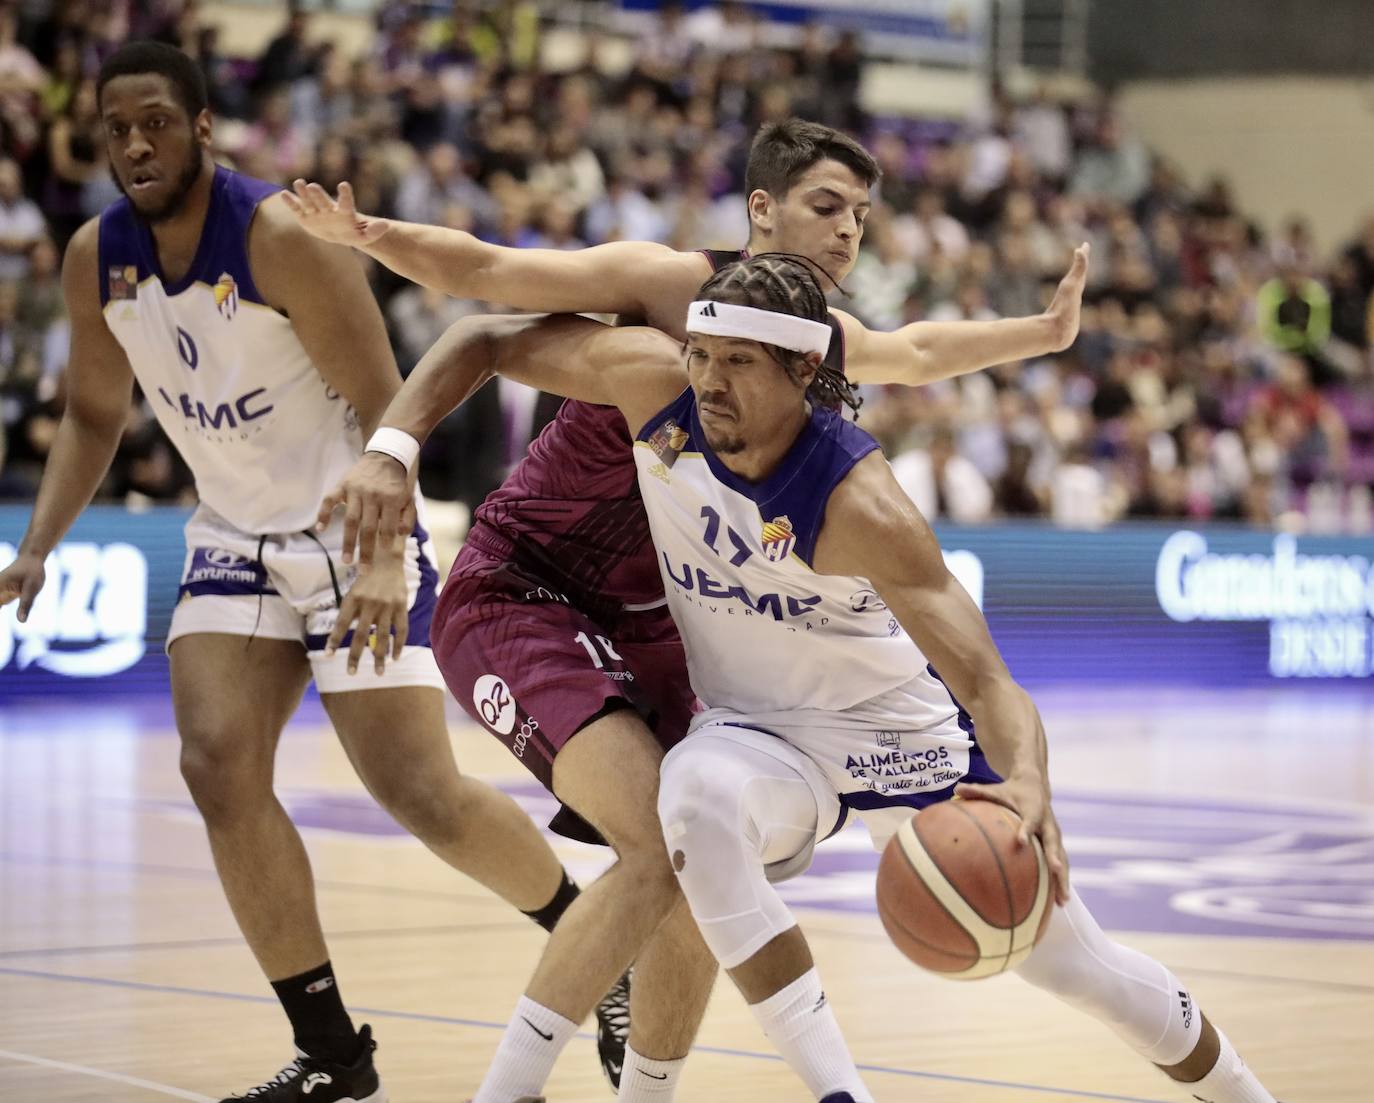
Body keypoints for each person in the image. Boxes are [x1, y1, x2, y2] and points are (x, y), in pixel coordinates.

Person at [357, 255, 1280, 1103]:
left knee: (1075, 965)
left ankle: (1245, 1092)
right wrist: (392, 450)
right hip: (762, 731)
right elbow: (486, 337)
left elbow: (990, 682)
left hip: (896, 732)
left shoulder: (862, 504)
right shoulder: (652, 386)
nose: (710, 380)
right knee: (691, 801)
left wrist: (1031, 779)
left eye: (739, 364)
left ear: (803, 372)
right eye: (703, 354)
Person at [302, 120, 1091, 1103]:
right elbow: (485, 287)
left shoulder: (825, 345)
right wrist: (372, 245)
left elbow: (919, 348)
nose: (849, 231)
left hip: (658, 620)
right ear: (760, 210)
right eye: (827, 206)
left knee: (694, 843)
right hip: (528, 587)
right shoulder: (672, 287)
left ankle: (645, 1083)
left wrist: (1043, 334)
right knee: (652, 844)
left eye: (861, 215)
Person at [0, 42, 611, 1103]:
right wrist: (40, 544)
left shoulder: (280, 237)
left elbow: (392, 407)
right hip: (235, 531)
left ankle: (601, 941)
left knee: (420, 793)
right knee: (214, 762)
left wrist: (385, 555)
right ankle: (333, 1050)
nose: (133, 142)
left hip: (350, 520)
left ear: (201, 128)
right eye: (113, 128)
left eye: (154, 120)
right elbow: (96, 415)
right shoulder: (94, 256)